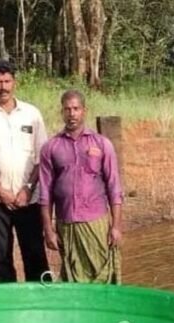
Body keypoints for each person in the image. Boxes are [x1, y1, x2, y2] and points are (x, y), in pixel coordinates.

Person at [0, 59, 49, 283]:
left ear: (15, 82)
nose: (2, 87)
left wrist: (28, 188)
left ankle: (43, 301)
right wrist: (1, 191)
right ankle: (8, 306)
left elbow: (41, 157)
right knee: (0, 256)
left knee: (35, 253)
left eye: (7, 81)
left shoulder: (31, 114)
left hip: (28, 199)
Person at [40, 90, 123, 284]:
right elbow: (45, 193)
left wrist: (116, 226)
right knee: (72, 276)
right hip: (66, 224)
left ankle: (103, 313)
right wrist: (48, 230)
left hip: (96, 223)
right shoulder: (51, 147)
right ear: (62, 112)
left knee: (103, 275)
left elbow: (114, 188)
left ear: (84, 111)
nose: (72, 114)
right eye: (67, 109)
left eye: (76, 109)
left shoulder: (102, 144)